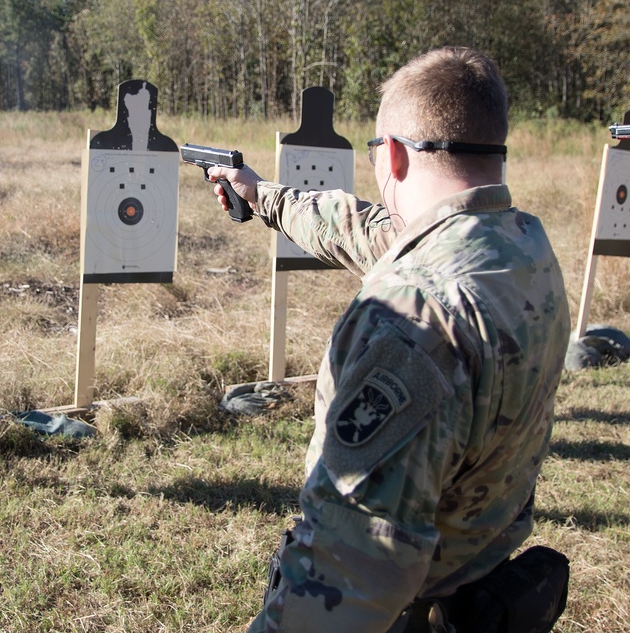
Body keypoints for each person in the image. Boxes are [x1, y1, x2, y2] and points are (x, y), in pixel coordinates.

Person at [206, 47, 570, 632]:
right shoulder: (520, 246)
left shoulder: (411, 314)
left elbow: (349, 565)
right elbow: (369, 229)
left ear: (394, 154)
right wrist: (262, 196)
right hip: (480, 565)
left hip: (405, 605)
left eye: (375, 150)